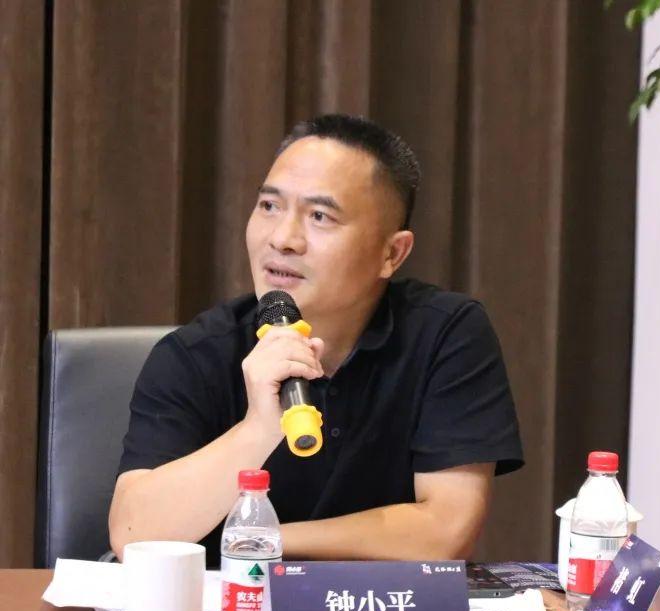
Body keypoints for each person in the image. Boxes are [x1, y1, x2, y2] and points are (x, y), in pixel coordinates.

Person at [109, 114, 523, 566]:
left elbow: (445, 532)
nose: (282, 239)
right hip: (230, 606)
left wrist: (260, 538)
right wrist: (259, 427)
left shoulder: (445, 335)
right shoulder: (195, 354)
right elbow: (134, 536)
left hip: (374, 608)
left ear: (392, 253)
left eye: (320, 216)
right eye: (269, 206)